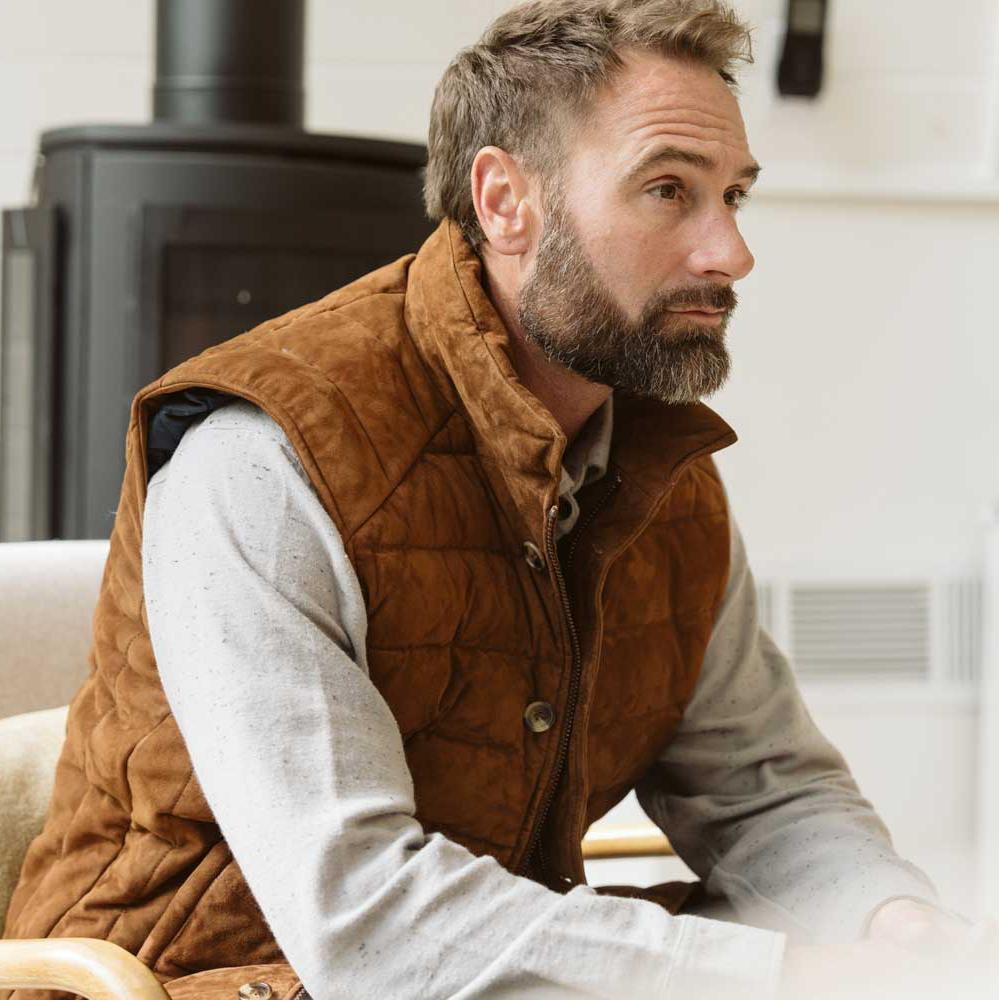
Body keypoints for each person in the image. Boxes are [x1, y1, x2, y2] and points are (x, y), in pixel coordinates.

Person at [2, 2, 993, 998]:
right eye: (668, 190)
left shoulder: (664, 482)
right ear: (505, 201)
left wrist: (897, 928)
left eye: (733, 195)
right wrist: (790, 972)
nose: (730, 252)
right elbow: (367, 923)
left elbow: (768, 795)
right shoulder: (263, 456)